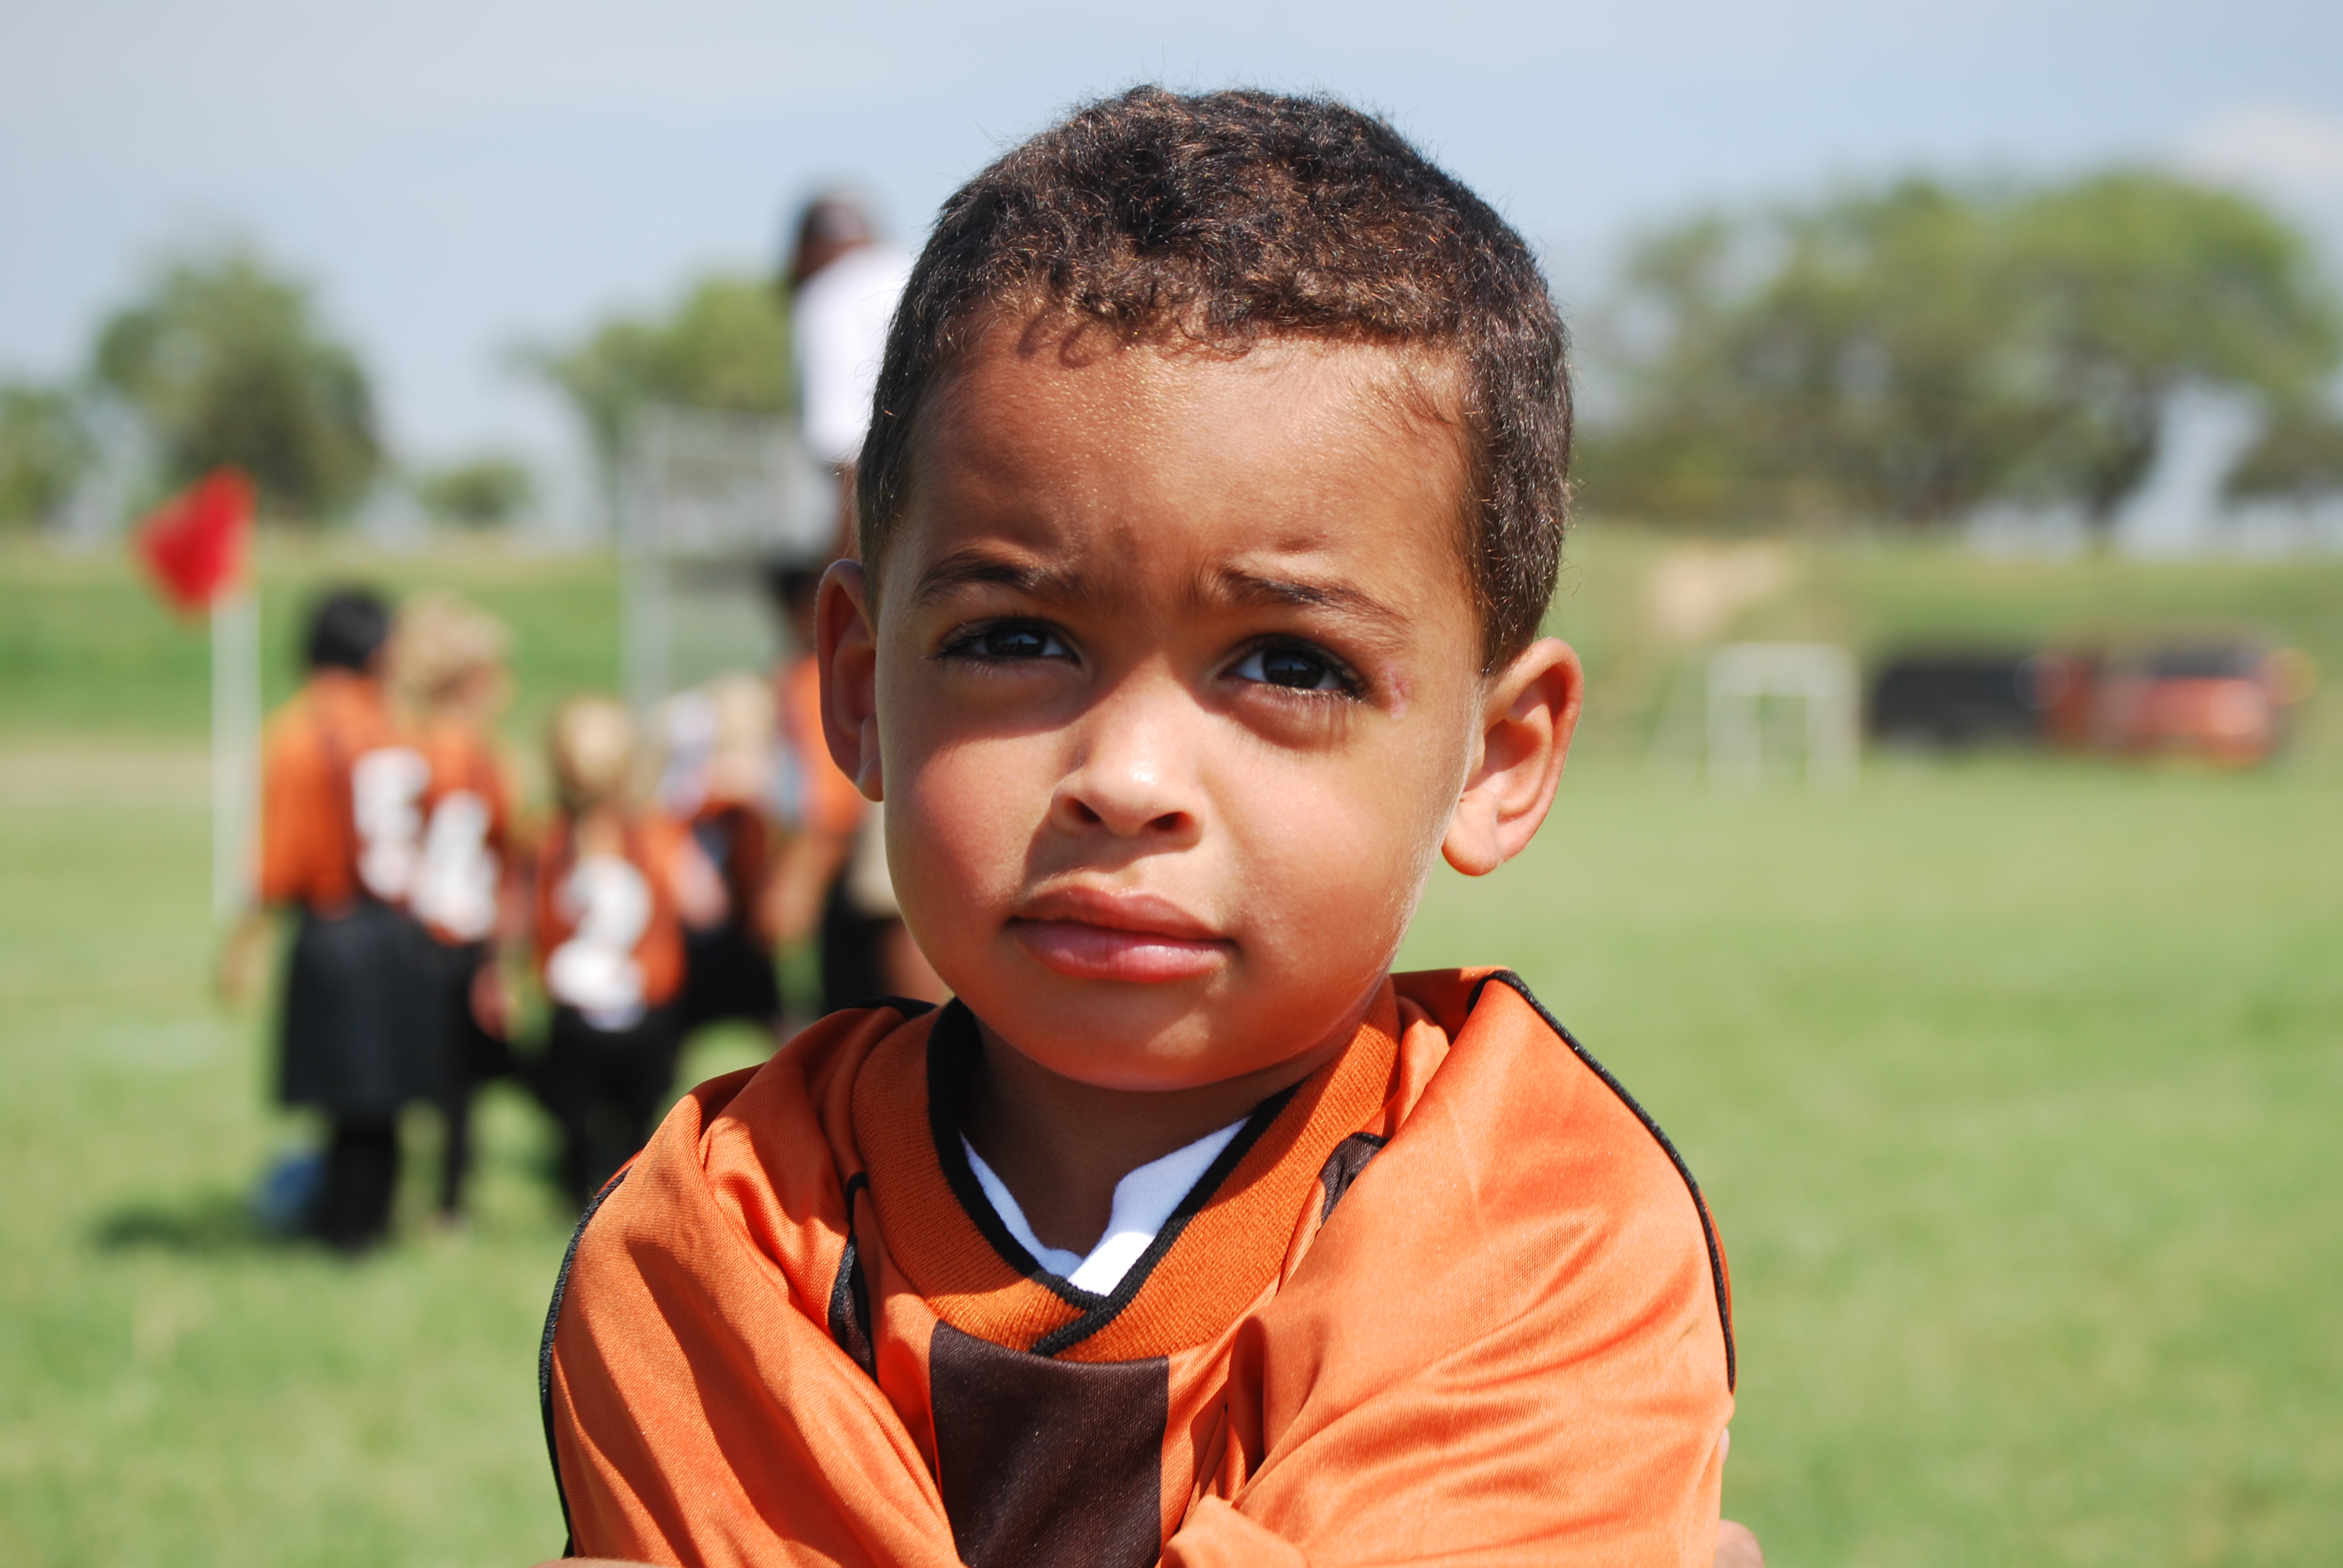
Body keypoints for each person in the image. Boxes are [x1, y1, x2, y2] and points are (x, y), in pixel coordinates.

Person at [542, 88, 1757, 1567]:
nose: (1124, 775)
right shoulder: (725, 1227)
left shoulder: (1548, 1219)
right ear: (859, 686)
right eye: (1014, 637)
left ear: (1498, 758)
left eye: (1288, 663)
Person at [235, 588, 429, 1253]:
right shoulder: (396, 723)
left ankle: (345, 1230)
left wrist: (244, 941)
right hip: (400, 929)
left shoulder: (300, 730)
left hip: (335, 925)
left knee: (347, 1097)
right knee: (382, 1095)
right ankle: (370, 1221)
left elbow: (276, 859)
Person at [531, 696, 727, 1208]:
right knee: (639, 1120)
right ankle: (625, 1196)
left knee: (577, 1117)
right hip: (645, 1005)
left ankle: (578, 1193)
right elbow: (706, 903)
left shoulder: (547, 840)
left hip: (576, 1010)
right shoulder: (657, 834)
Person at [762, 561, 948, 1011]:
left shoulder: (809, 676)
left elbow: (830, 788)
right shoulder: (799, 672)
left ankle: (923, 1053)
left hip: (847, 827)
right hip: (836, 838)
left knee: (892, 920)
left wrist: (805, 869)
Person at [393, 591, 517, 1224]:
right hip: (456, 930)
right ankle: (448, 1203)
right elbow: (502, 853)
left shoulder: (406, 744)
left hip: (408, 929)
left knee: (419, 1077)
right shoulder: (477, 756)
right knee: (456, 1086)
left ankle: (418, 1196)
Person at [656, 673, 784, 1034]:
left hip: (740, 915)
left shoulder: (751, 793)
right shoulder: (694, 788)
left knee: (758, 993)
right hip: (702, 920)